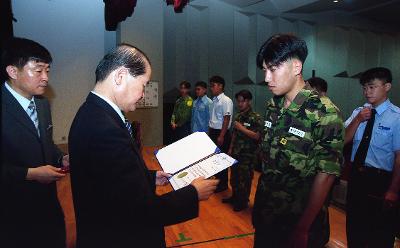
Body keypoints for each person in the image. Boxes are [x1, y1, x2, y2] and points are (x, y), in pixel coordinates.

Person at [68, 44, 219, 248]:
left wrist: (149, 177)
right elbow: (139, 211)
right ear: (120, 77)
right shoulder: (105, 128)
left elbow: (110, 181)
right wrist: (193, 193)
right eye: (144, 84)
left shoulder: (93, 113)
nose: (143, 94)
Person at [252, 34, 344, 248]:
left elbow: (326, 175)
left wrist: (302, 228)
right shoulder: (272, 106)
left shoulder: (325, 112)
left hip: (299, 221)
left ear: (296, 67)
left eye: (273, 69)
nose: (266, 78)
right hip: (267, 214)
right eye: (265, 70)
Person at [1, 37, 68, 248]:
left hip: (48, 206)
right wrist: (30, 174)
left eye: (48, 70)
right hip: (12, 211)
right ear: (13, 71)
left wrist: (61, 157)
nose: (46, 78)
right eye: (38, 71)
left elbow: (45, 143)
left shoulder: (42, 104)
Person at [344, 67, 400, 248]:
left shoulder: (396, 117)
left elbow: (399, 157)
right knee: (354, 229)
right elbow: (343, 140)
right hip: (357, 178)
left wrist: (393, 190)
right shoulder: (359, 112)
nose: (367, 92)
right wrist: (358, 120)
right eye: (364, 88)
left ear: (387, 86)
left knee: (380, 235)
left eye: (372, 87)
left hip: (380, 180)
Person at [223, 89, 263, 211]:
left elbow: (257, 136)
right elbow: (234, 134)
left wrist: (242, 128)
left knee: (244, 179)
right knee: (234, 177)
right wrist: (230, 148)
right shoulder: (239, 116)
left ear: (249, 101)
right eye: (238, 101)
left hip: (248, 155)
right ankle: (235, 197)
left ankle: (242, 201)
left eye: (242, 101)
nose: (240, 104)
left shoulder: (255, 117)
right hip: (236, 152)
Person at [208, 75, 233, 192]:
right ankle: (217, 182)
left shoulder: (226, 100)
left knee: (221, 160)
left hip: (221, 133)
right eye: (211, 86)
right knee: (215, 159)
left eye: (213, 86)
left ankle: (223, 185)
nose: (211, 88)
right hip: (213, 131)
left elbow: (226, 119)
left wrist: (221, 136)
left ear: (221, 86)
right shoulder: (214, 100)